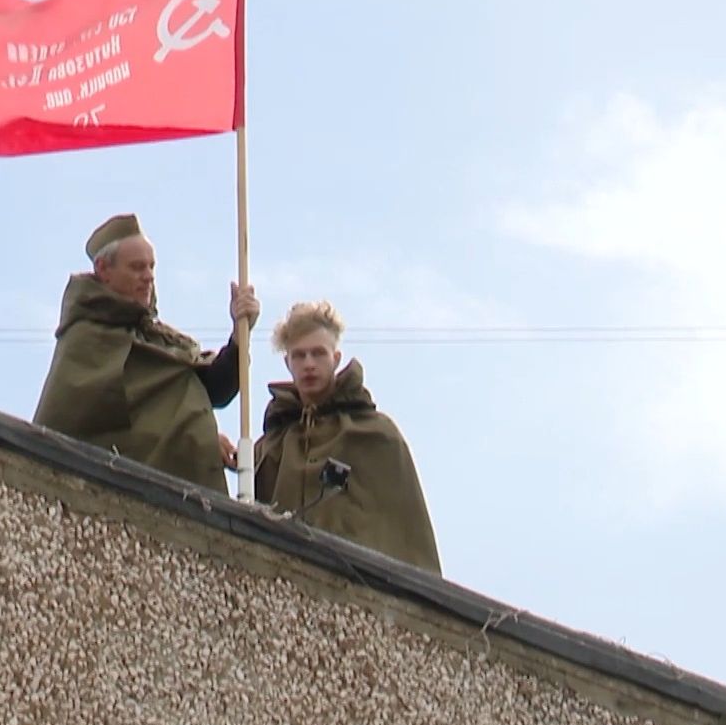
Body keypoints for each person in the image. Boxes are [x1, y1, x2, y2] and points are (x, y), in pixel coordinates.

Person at [33, 213, 260, 491]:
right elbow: (105, 432)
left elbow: (215, 386)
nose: (149, 277)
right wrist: (192, 438)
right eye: (137, 267)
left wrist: (240, 334)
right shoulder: (87, 340)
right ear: (104, 270)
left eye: (152, 267)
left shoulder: (157, 338)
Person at [254, 301, 440, 573]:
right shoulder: (275, 444)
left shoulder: (376, 434)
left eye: (318, 353)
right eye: (299, 355)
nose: (308, 364)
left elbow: (408, 538)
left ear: (336, 359)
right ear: (287, 362)